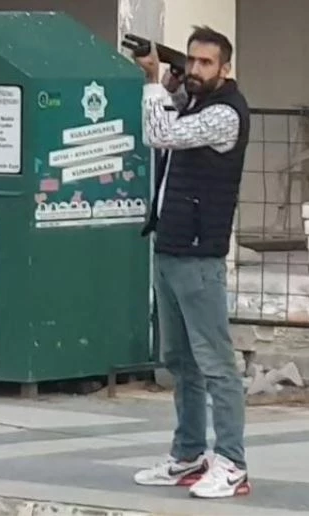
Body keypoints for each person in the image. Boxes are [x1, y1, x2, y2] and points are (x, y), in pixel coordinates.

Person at [131, 26, 251, 499]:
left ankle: (233, 462)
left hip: (201, 254)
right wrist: (172, 86)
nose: (197, 70)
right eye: (193, 61)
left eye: (206, 64)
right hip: (170, 244)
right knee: (180, 362)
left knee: (216, 364)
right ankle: (188, 455)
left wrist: (152, 82)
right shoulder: (196, 102)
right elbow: (176, 119)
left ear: (225, 69)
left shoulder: (225, 114)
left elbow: (159, 134)